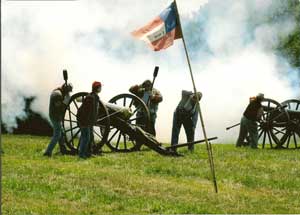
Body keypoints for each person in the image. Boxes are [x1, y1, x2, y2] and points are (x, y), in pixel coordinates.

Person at [43, 83, 73, 156]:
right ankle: (48, 152)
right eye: (68, 92)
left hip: (57, 115)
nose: (68, 93)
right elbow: (58, 106)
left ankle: (63, 150)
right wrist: (65, 102)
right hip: (55, 116)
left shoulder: (59, 93)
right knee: (57, 135)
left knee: (61, 133)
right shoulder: (57, 94)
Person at [77, 81, 102, 159]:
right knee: (86, 137)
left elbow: (94, 111)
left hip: (89, 121)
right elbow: (85, 111)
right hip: (85, 121)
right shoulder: (90, 97)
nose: (101, 88)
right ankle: (81, 154)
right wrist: (85, 122)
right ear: (97, 88)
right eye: (100, 87)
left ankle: (88, 153)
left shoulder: (95, 97)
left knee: (90, 137)